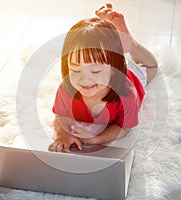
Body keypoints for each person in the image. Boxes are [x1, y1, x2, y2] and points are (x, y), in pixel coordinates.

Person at [48, 3, 158, 152]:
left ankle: (130, 43)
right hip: (109, 60)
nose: (84, 80)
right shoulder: (66, 89)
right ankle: (112, 37)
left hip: (128, 74)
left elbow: (124, 128)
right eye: (76, 69)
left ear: (114, 71)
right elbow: (61, 116)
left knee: (152, 67)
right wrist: (64, 133)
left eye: (95, 71)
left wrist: (95, 139)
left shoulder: (127, 94)